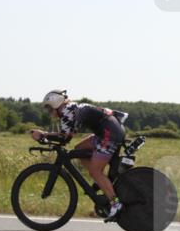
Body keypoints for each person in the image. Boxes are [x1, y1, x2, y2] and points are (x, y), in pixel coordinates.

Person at [29, 90, 128, 221]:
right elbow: (67, 136)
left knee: (95, 171)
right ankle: (101, 180)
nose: (48, 112)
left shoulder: (67, 112)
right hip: (108, 131)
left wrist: (43, 135)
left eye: (48, 108)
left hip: (109, 134)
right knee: (79, 149)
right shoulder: (70, 109)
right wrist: (46, 136)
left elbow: (65, 139)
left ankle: (115, 203)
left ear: (55, 104)